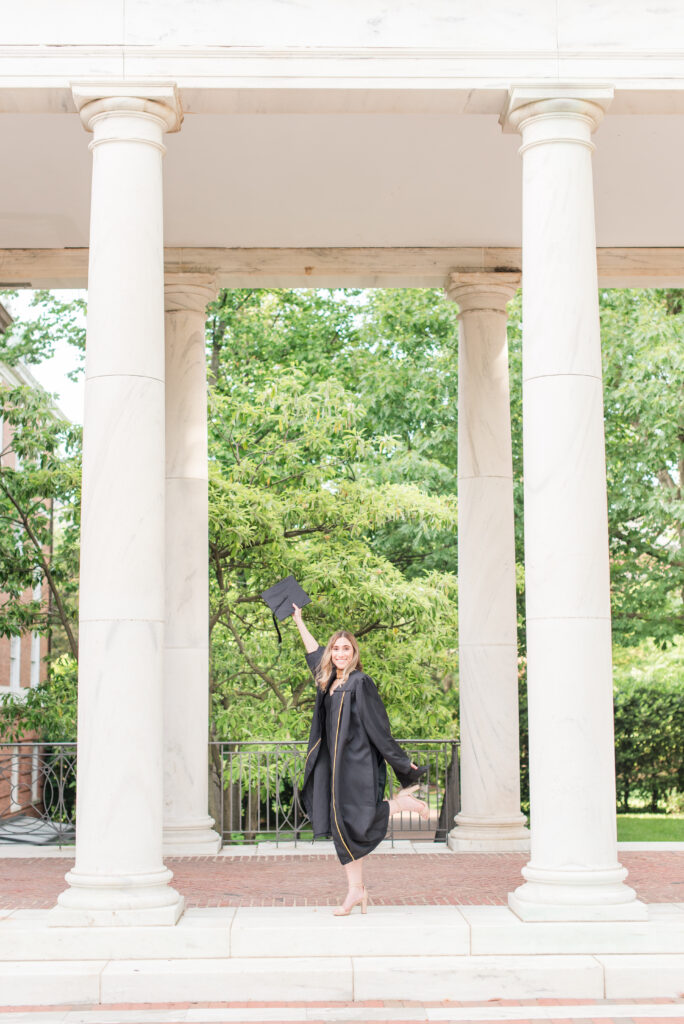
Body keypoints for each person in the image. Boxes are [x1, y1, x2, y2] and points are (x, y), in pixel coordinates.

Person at [292, 602, 430, 916]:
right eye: (335, 649)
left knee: (356, 821)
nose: (340, 653)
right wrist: (299, 620)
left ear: (354, 653)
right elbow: (313, 652)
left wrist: (401, 763)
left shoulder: (360, 683)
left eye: (346, 649)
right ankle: (356, 890)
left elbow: (379, 728)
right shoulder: (328, 682)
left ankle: (401, 805)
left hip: (356, 764)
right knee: (344, 826)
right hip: (335, 765)